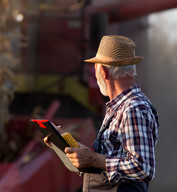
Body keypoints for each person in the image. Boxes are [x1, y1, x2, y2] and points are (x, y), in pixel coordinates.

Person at [47, 35, 159, 191]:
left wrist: (93, 159)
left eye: (96, 68)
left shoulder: (133, 108)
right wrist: (66, 146)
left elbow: (142, 168)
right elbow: (108, 157)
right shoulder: (119, 107)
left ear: (104, 71)